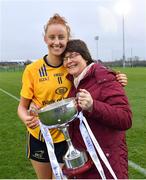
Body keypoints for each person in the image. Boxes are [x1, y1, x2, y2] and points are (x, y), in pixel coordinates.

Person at [17, 14, 128, 179]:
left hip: (67, 137)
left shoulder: (71, 66)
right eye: (52, 37)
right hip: (39, 136)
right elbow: (22, 106)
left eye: (61, 37)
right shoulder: (32, 70)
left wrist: (116, 76)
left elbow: (94, 73)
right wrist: (26, 117)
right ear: (45, 39)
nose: (56, 42)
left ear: (67, 38)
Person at [61, 39, 132, 179]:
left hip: (107, 164)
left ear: (85, 57)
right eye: (65, 58)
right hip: (86, 164)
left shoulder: (104, 77)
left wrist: (93, 106)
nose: (69, 61)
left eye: (73, 55)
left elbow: (125, 118)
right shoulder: (74, 84)